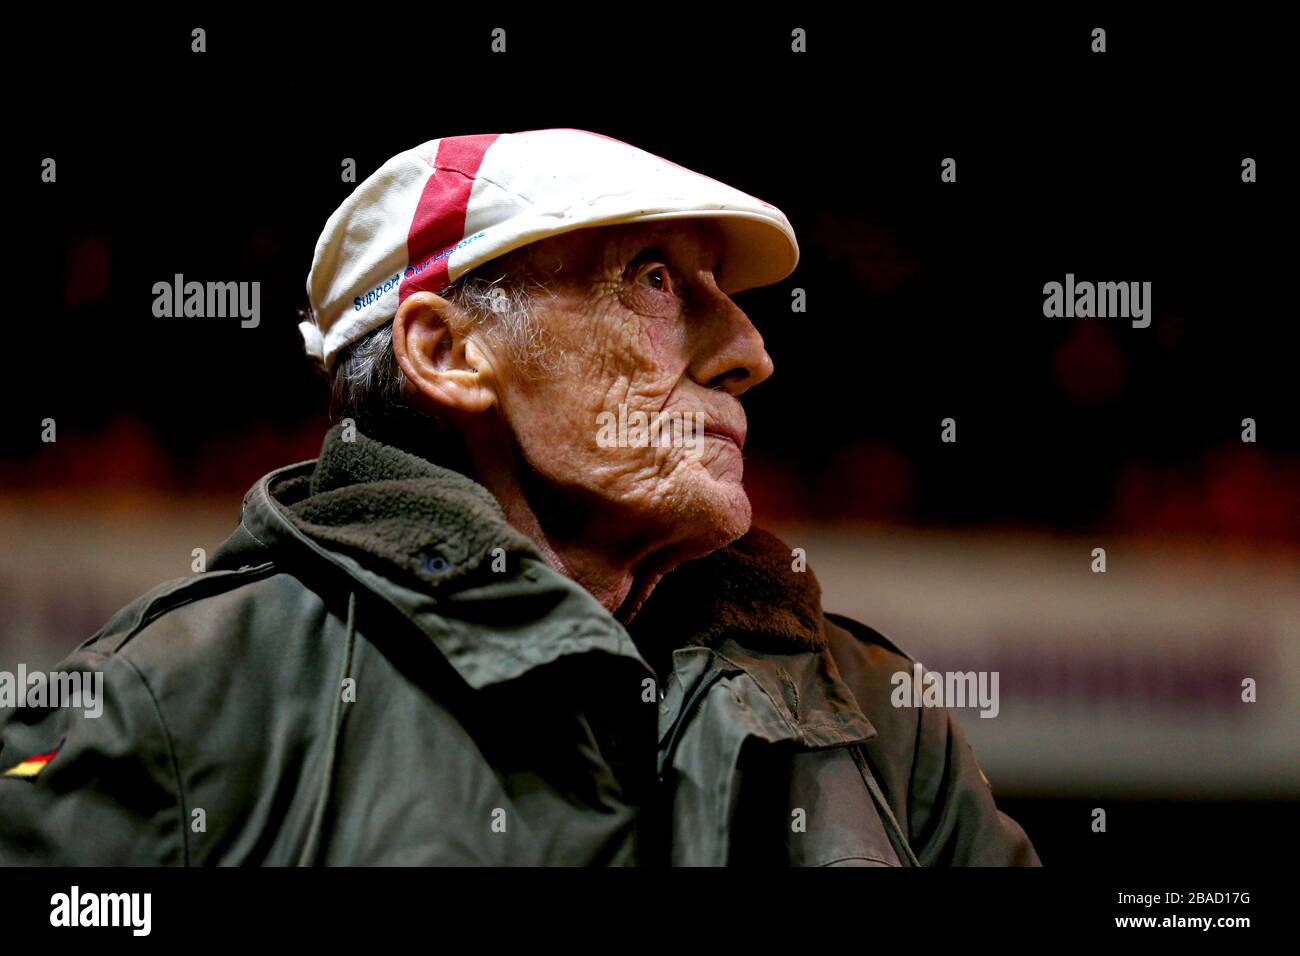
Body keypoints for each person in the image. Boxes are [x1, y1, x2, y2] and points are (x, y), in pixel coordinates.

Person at [0, 129, 1039, 865]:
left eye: (725, 290)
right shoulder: (173, 708)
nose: (750, 353)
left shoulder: (872, 713)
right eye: (656, 280)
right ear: (449, 352)